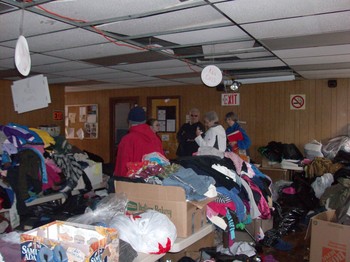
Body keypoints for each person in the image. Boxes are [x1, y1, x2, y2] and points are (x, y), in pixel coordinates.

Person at [113, 106, 164, 177]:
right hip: (154, 181)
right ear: (145, 121)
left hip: (135, 183)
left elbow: (122, 167)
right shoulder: (155, 138)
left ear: (129, 122)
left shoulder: (127, 139)